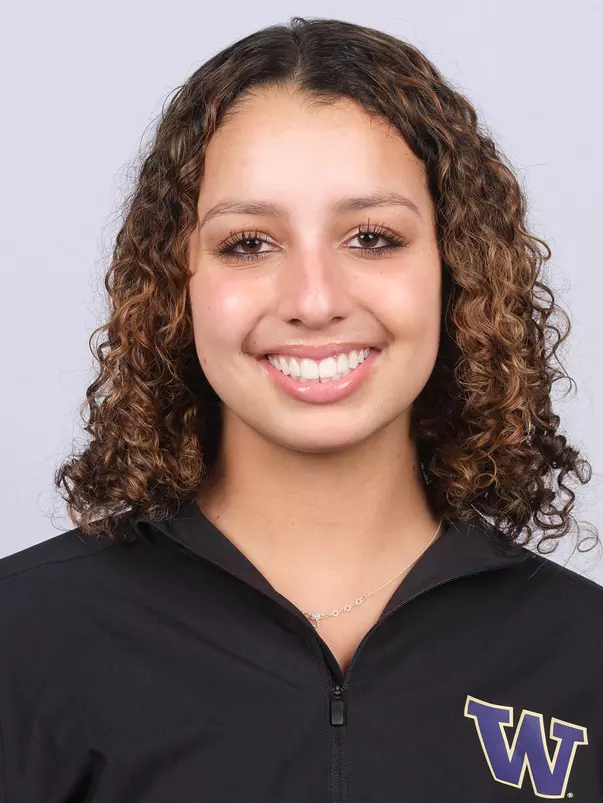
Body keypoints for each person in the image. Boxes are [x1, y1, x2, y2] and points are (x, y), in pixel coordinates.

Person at [0, 15, 600, 803]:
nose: (314, 301)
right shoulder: (22, 638)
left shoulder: (583, 656)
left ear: (455, 269)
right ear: (175, 284)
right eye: (248, 243)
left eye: (372, 237)